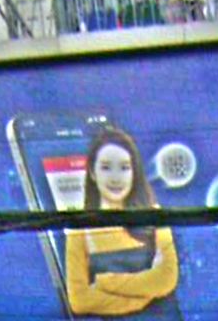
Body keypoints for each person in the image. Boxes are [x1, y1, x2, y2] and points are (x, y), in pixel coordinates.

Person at [66, 127, 180, 318]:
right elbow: (80, 300)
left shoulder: (154, 215)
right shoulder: (80, 229)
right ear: (92, 173)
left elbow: (166, 279)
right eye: (106, 168)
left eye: (124, 168)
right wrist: (144, 296)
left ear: (134, 172)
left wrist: (106, 283)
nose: (116, 178)